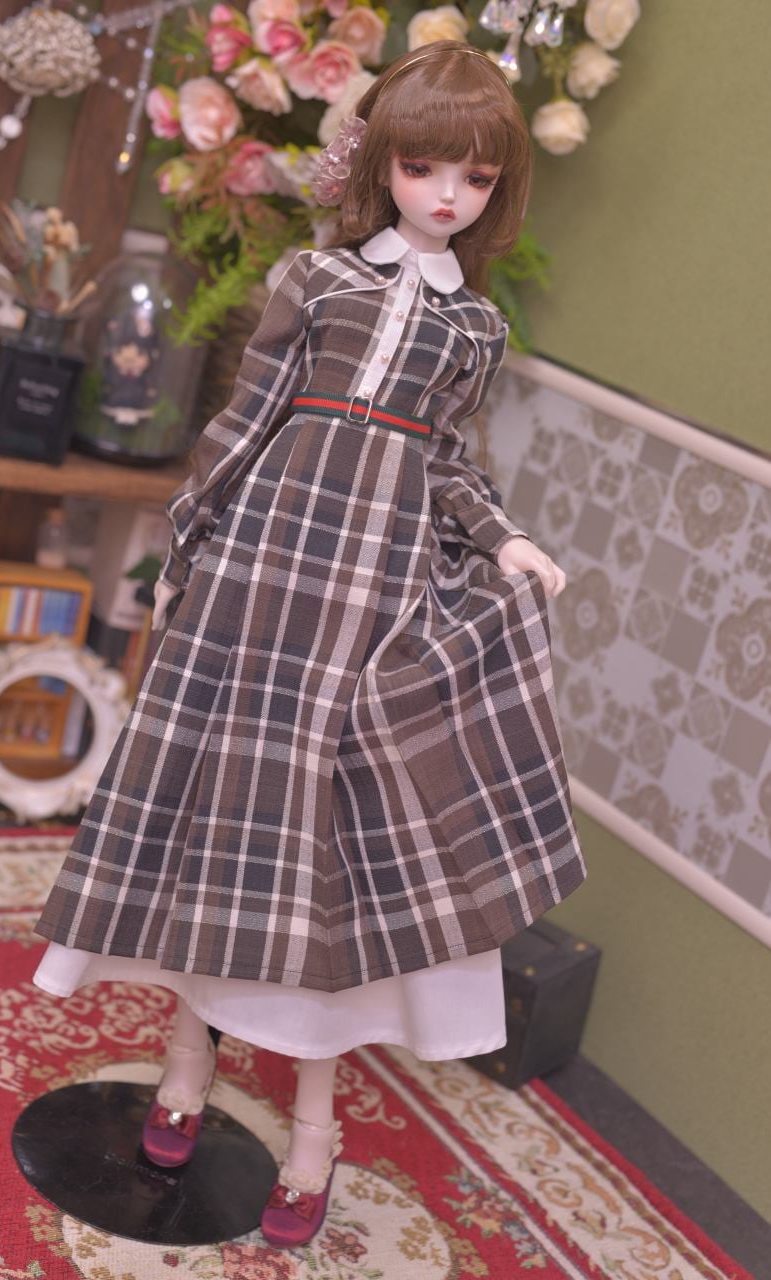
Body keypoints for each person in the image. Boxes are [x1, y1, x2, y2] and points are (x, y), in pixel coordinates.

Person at [31, 39, 587, 1249]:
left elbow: (446, 461)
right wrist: (187, 547)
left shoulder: (472, 327)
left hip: (368, 596)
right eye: (425, 168)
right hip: (259, 580)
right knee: (218, 820)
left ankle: (312, 1131)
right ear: (381, 164)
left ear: (498, 188)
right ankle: (187, 1063)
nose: (447, 195)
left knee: (314, 850)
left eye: (475, 177)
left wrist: (504, 541)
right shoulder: (317, 280)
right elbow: (245, 421)